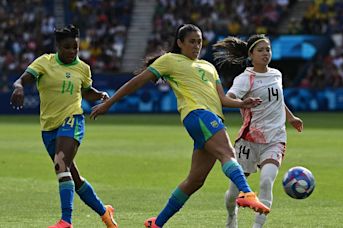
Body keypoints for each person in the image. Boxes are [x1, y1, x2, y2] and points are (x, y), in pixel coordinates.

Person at [90, 24, 271, 228]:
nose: (196, 46)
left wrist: (241, 103)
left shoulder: (208, 66)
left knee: (195, 181)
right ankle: (246, 193)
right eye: (192, 41)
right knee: (227, 152)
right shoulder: (170, 60)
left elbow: (221, 98)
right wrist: (109, 103)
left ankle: (157, 223)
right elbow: (137, 82)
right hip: (197, 114)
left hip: (212, 118)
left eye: (199, 42)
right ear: (180, 43)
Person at [10, 25, 118, 228]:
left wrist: (100, 95)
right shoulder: (44, 62)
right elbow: (22, 79)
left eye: (75, 48)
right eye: (66, 47)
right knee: (71, 176)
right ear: (57, 46)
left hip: (73, 119)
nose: (71, 52)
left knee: (60, 165)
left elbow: (86, 91)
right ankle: (105, 213)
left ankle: (66, 221)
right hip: (49, 127)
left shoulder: (83, 68)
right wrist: (18, 87)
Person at [213, 35, 304, 228]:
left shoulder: (276, 74)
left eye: (268, 49)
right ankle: (231, 216)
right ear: (251, 55)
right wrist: (242, 103)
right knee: (233, 193)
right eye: (261, 50)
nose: (265, 53)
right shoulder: (245, 79)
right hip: (249, 140)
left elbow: (278, 101)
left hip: (275, 138)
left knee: (266, 183)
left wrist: (291, 117)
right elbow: (228, 98)